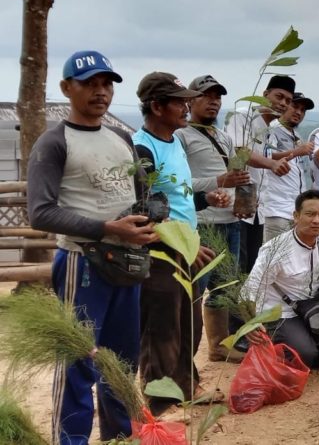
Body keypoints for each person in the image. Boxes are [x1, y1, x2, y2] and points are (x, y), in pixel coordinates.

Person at [27, 50, 157, 445]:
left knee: (121, 362)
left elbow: (140, 194)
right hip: (82, 265)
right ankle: (71, 441)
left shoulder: (121, 138)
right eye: (89, 84)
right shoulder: (53, 143)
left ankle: (119, 438)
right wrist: (106, 228)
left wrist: (149, 217)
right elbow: (41, 213)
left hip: (127, 264)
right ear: (67, 88)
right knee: (78, 361)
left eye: (106, 84)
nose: (100, 92)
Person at [177, 74, 283, 362]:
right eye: (206, 96)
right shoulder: (181, 137)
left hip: (231, 222)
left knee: (224, 288)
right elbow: (180, 184)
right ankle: (184, 358)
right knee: (195, 290)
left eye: (218, 97)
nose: (213, 102)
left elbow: (238, 174)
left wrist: (244, 201)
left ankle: (217, 346)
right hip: (202, 223)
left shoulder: (223, 137)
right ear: (190, 101)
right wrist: (217, 181)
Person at [132, 72, 219, 415]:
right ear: (156, 106)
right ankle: (158, 403)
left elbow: (178, 198)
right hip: (161, 249)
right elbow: (147, 207)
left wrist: (205, 199)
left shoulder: (175, 142)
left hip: (186, 245)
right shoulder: (142, 147)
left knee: (189, 322)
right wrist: (185, 246)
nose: (186, 107)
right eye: (179, 102)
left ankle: (186, 385)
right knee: (162, 326)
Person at [241, 190, 319, 371]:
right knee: (305, 355)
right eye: (310, 214)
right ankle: (298, 348)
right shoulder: (275, 249)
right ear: (296, 216)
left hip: (312, 303)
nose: (317, 220)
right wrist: (252, 323)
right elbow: (249, 291)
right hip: (283, 311)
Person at [225, 75, 294, 273]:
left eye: (288, 101)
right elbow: (238, 151)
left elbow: (263, 156)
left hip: (258, 207)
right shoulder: (242, 115)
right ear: (265, 94)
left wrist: (284, 157)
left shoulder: (269, 129)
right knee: (235, 267)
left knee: (251, 267)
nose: (282, 104)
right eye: (279, 97)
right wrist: (271, 164)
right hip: (237, 203)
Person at [261, 92, 317, 242]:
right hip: (277, 209)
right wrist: (298, 151)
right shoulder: (272, 127)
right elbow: (265, 156)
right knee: (275, 260)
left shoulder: (296, 135)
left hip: (295, 211)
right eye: (295, 106)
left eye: (303, 110)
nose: (299, 112)